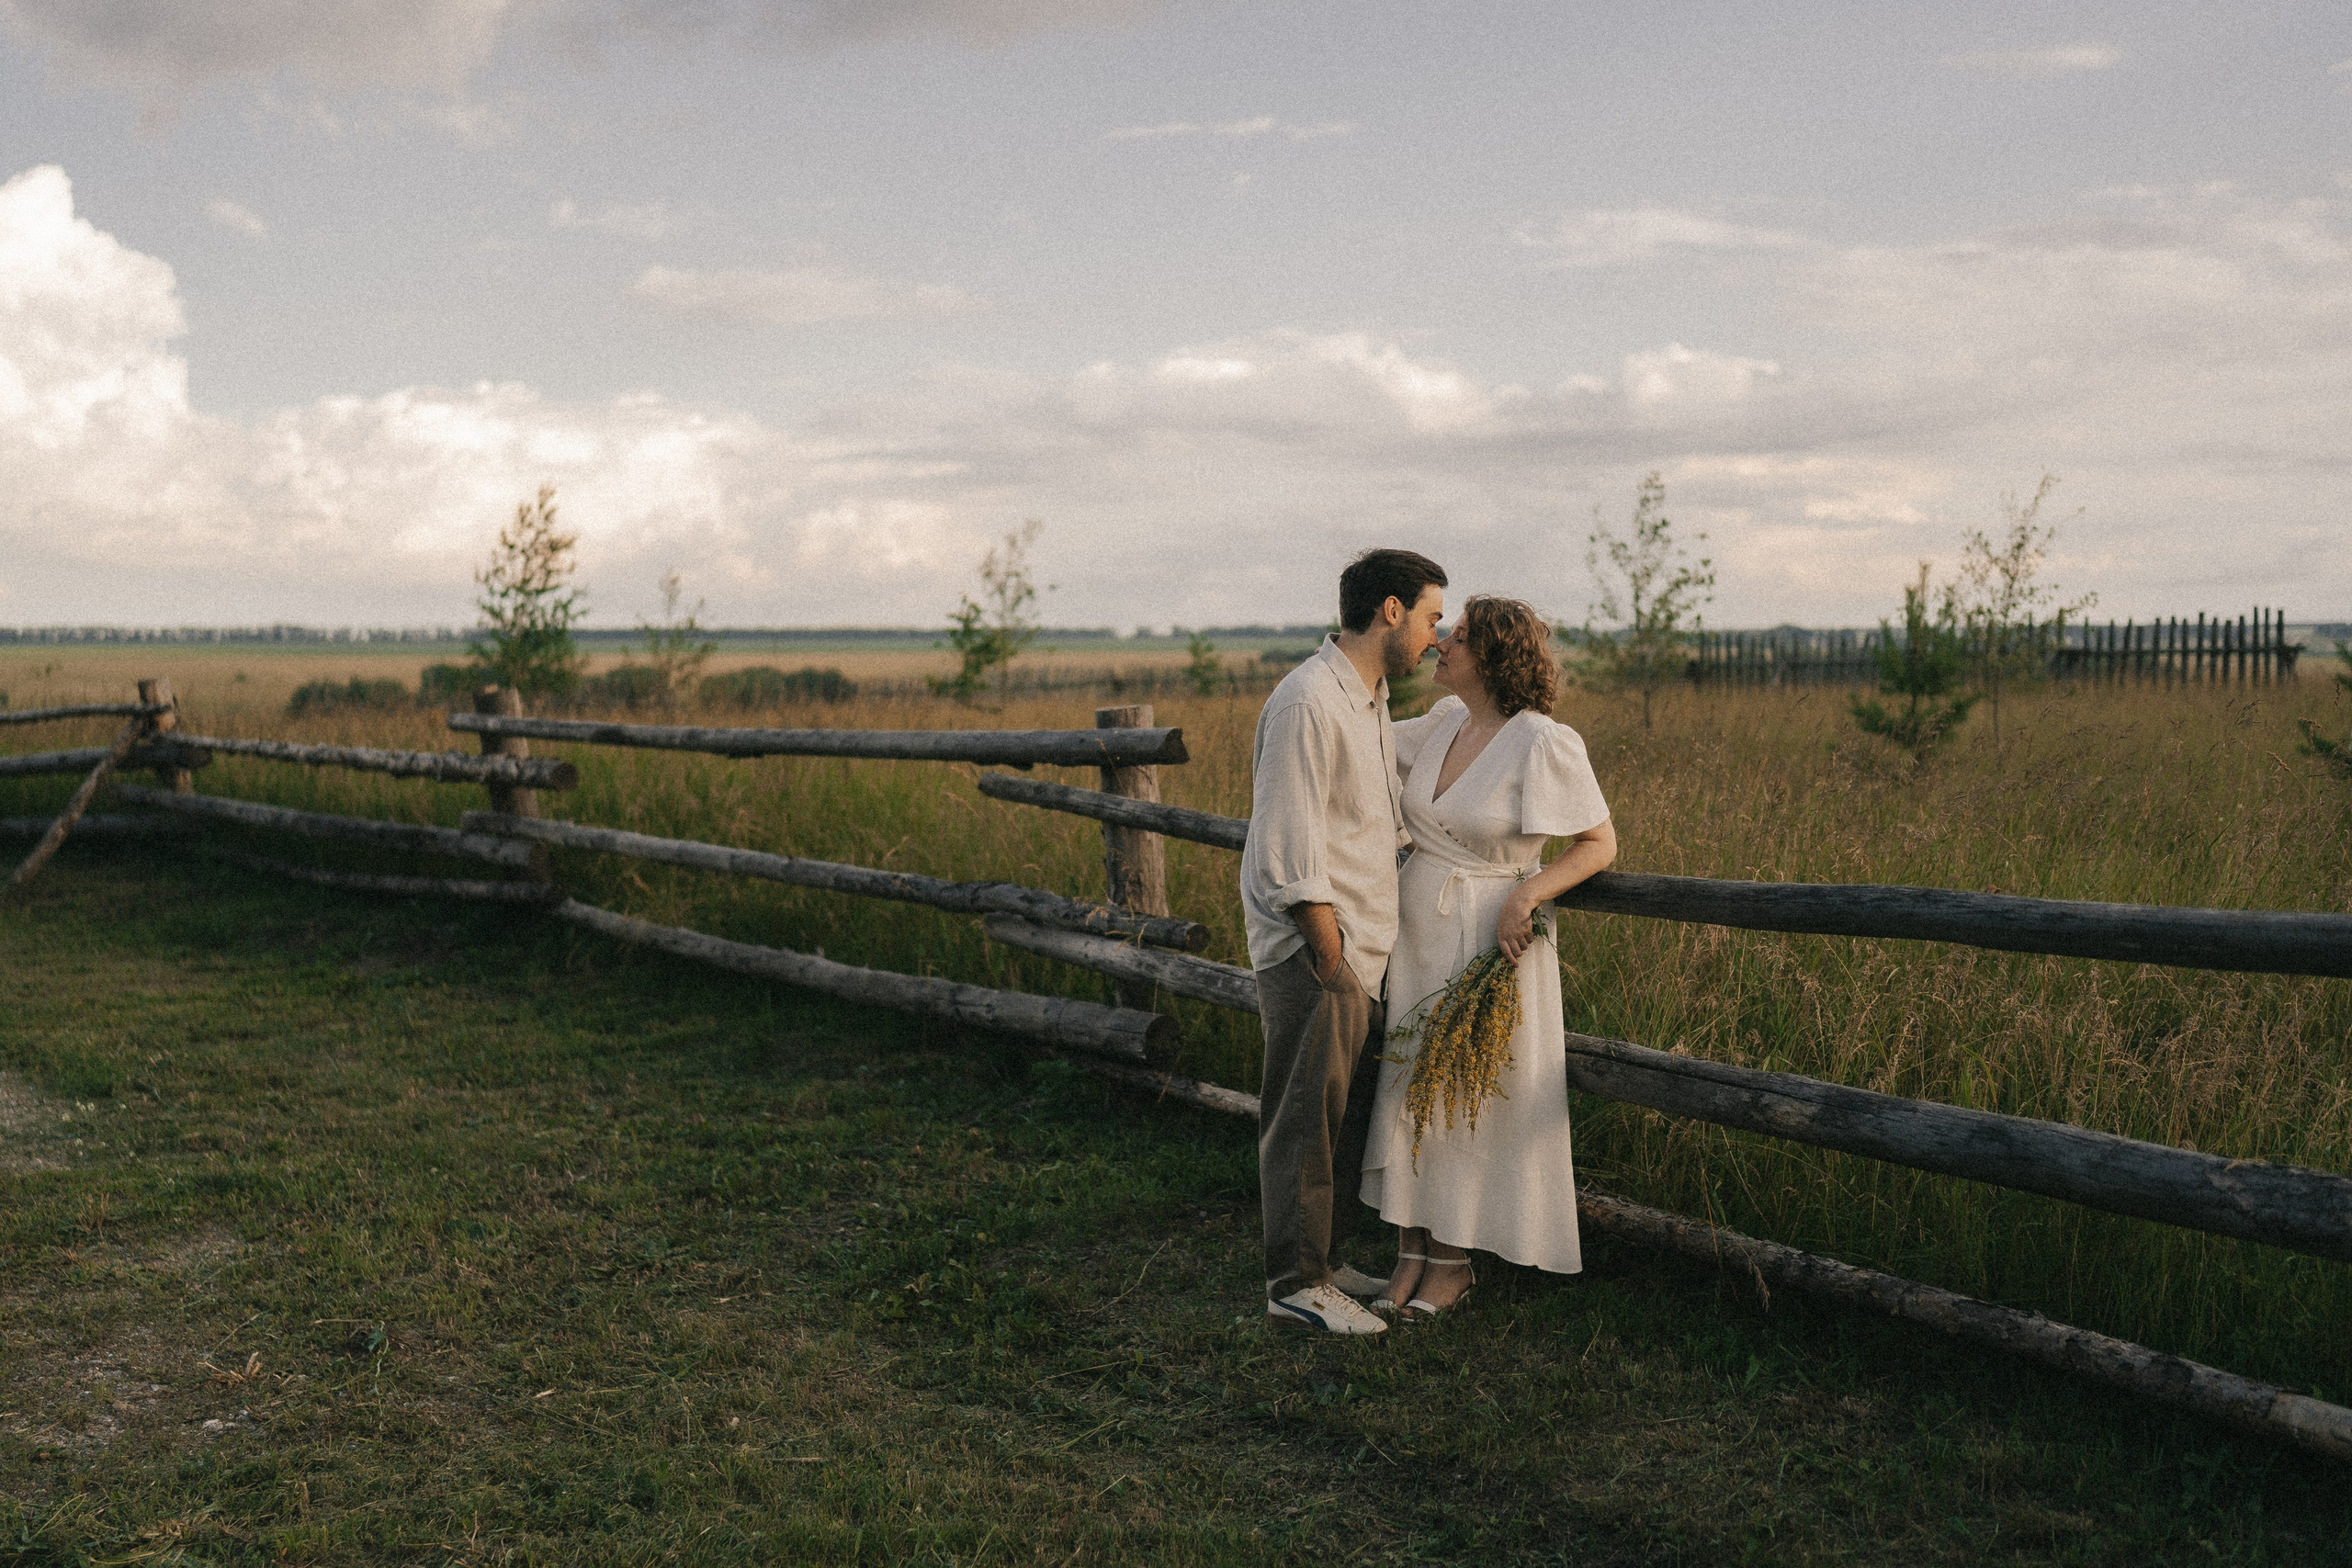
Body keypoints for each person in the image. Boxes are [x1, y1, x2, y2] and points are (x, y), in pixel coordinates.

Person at [1360, 594, 1617, 1319]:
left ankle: (1453, 1261)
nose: (1441, 642)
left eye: (1461, 636)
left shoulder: (1541, 741)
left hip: (1485, 937)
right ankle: (1410, 1252)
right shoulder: (1445, 721)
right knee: (1409, 1084)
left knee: (1461, 1091)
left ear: (1496, 656)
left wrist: (1526, 894)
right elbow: (1365, 741)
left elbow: (1599, 843)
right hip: (1418, 931)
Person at [1241, 547, 1448, 1335]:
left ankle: (1321, 1264)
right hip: (1320, 953)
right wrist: (1329, 958)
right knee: (1304, 1118)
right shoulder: (1308, 701)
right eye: (1430, 617)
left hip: (1357, 950)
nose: (1435, 636)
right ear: (1391, 610)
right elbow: (1288, 844)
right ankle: (1296, 1284)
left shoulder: (1368, 700)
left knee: (1331, 1120)